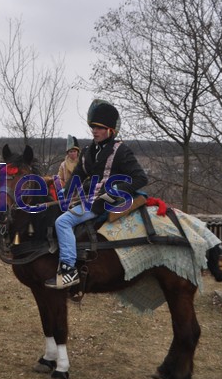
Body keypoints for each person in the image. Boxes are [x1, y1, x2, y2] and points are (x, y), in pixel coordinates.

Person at [45, 101, 148, 289]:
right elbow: (78, 175)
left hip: (106, 202)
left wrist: (115, 190)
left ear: (110, 130)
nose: (94, 131)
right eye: (93, 127)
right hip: (88, 199)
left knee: (63, 222)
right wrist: (65, 194)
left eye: (99, 128)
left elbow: (140, 178)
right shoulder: (87, 151)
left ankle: (69, 271)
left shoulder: (121, 151)